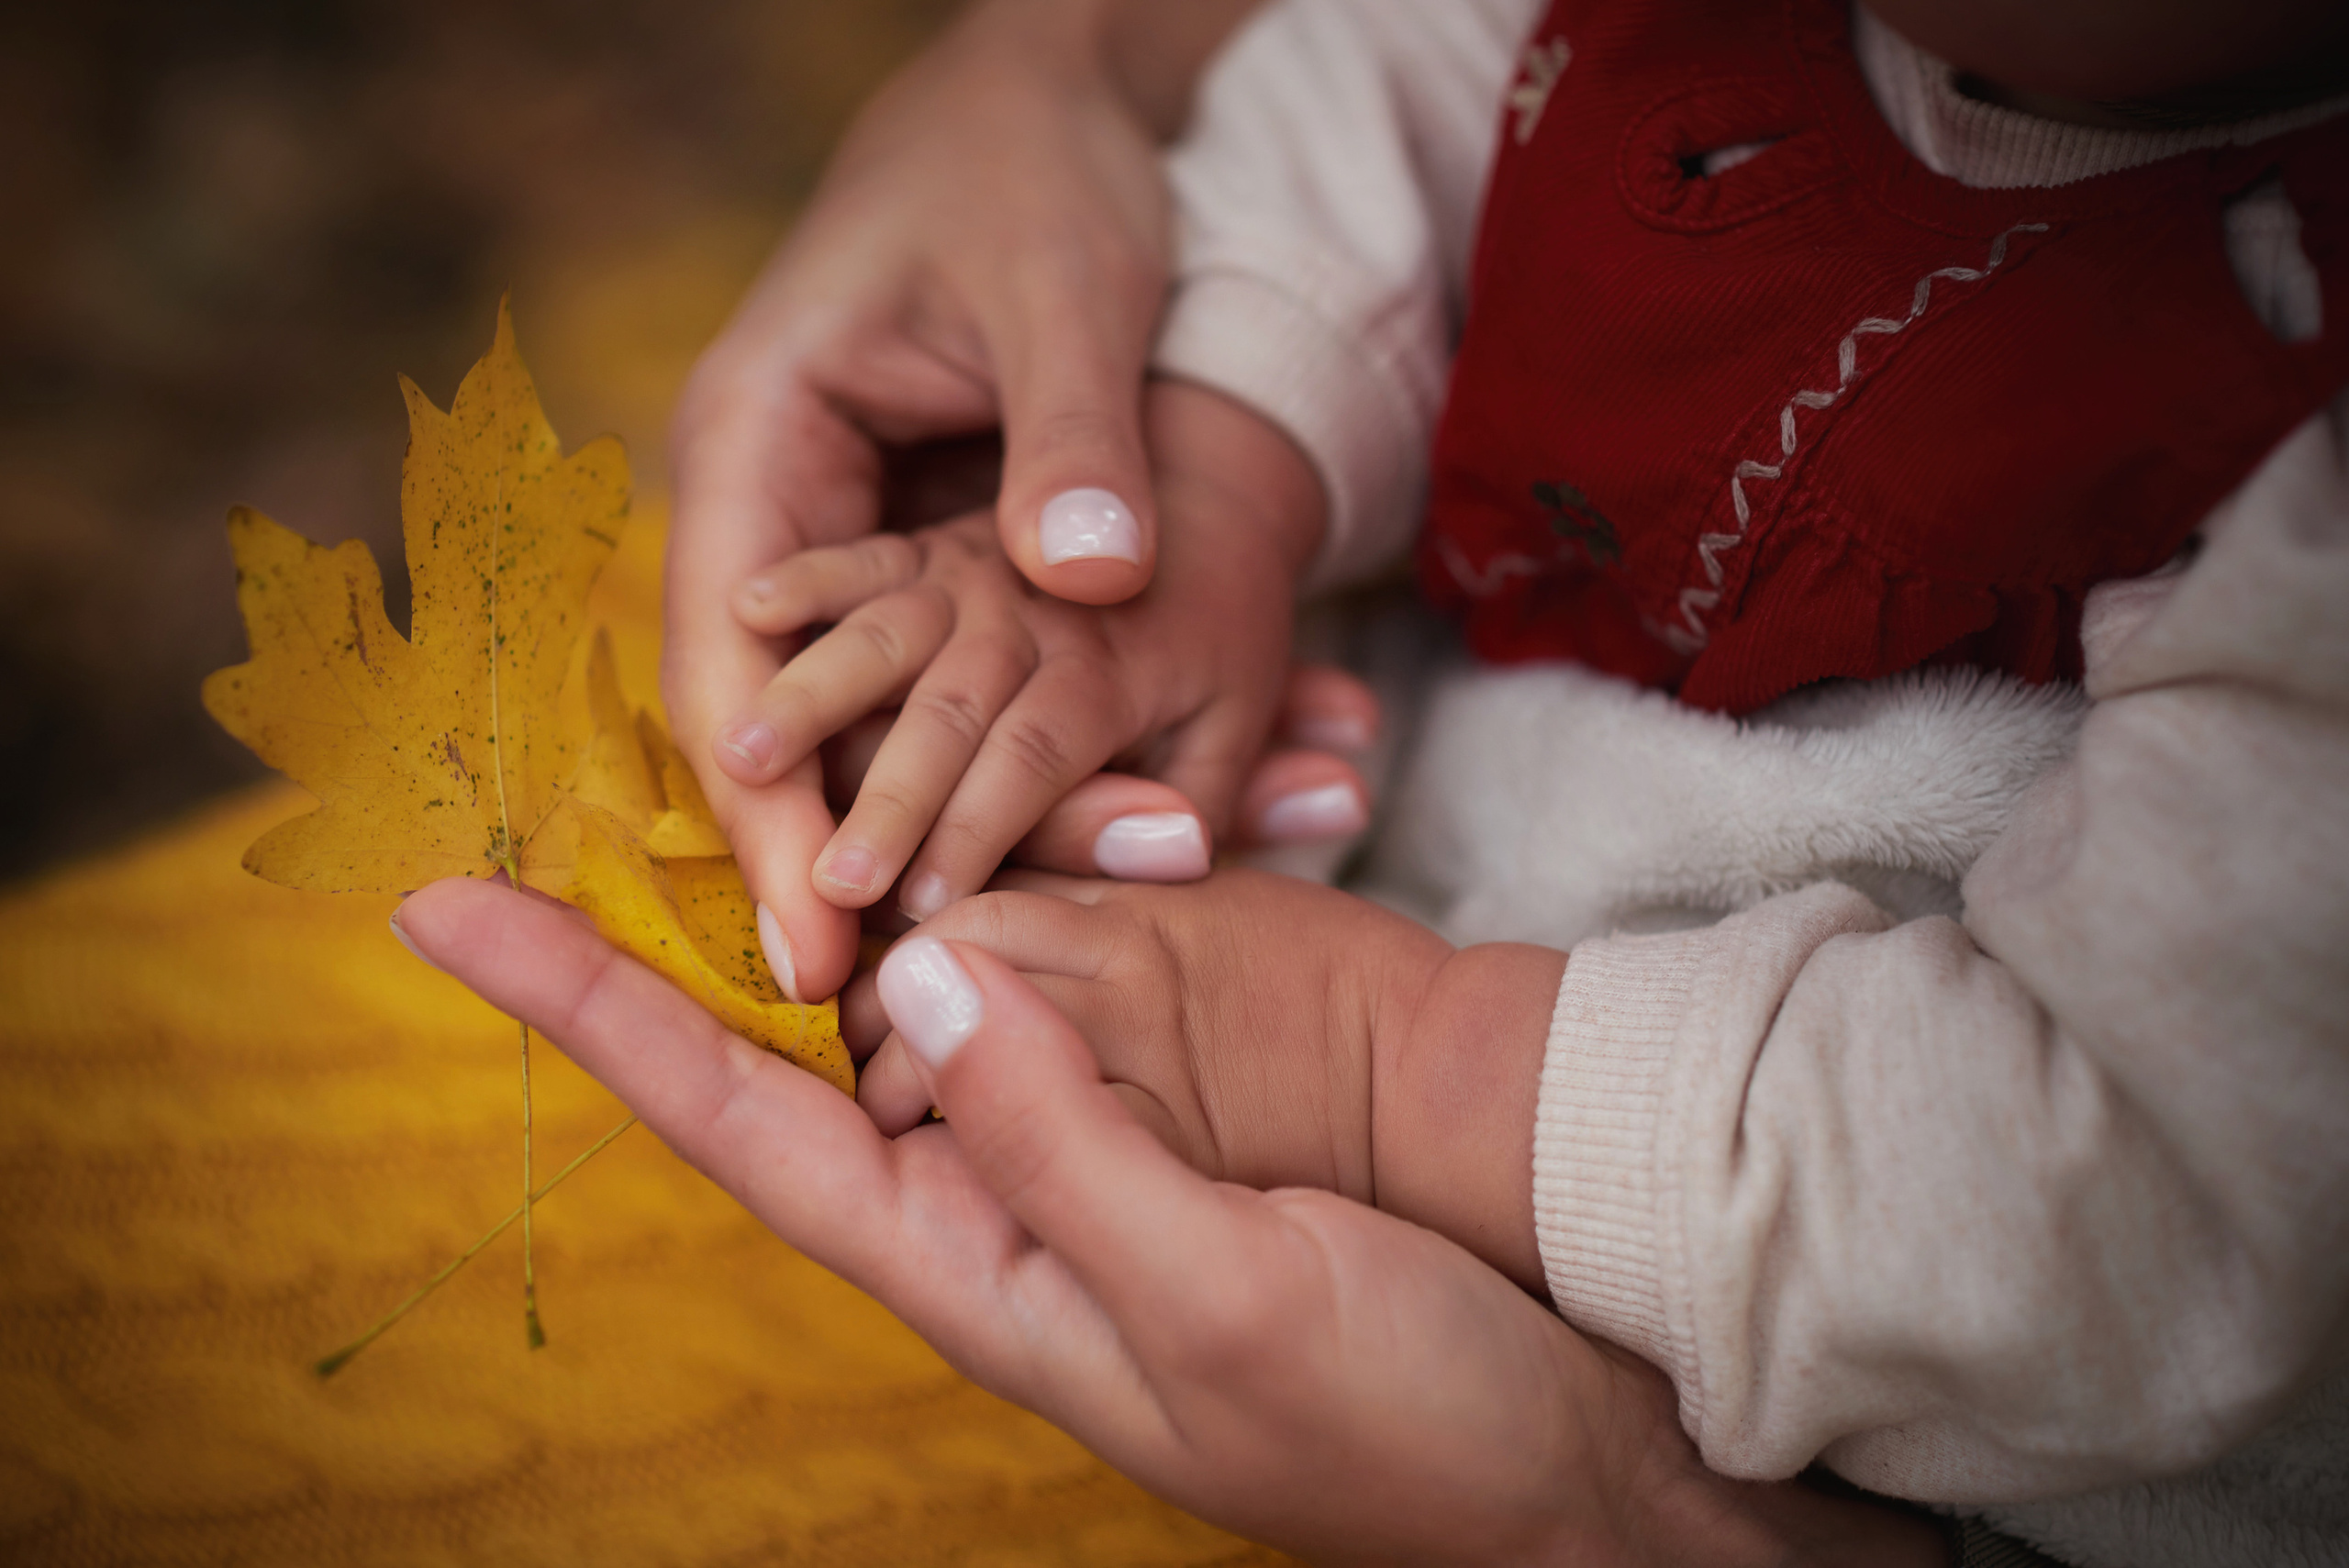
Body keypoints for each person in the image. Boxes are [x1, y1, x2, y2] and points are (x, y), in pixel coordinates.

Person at [440, 0, 2349, 1561]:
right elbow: (1401, 81)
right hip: (1372, 818)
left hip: (1862, 1364)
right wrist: (1210, 490)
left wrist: (1393, 1066)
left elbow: (2139, 1197)